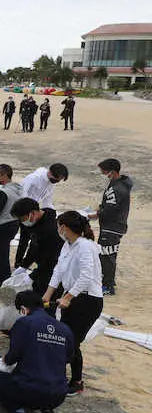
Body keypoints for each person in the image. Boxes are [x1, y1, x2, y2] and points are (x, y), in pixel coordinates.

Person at [0, 290, 73, 413]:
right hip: (58, 395)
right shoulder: (64, 328)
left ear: (23, 309)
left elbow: (11, 358)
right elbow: (68, 358)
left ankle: (17, 412)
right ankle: (47, 410)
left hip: (29, 390)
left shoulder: (24, 323)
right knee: (43, 378)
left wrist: (6, 358)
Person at [41, 211, 103, 396]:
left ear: (64, 227)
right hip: (73, 297)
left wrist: (68, 297)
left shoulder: (85, 246)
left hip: (88, 300)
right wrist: (47, 295)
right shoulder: (67, 245)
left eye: (59, 226)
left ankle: (76, 382)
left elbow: (86, 276)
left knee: (71, 341)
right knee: (64, 338)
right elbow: (58, 270)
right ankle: (58, 376)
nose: (58, 229)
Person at [14, 164, 66, 267]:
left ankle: (26, 262)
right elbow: (22, 195)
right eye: (56, 178)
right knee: (24, 238)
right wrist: (27, 212)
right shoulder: (33, 178)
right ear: (50, 172)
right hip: (26, 212)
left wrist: (51, 213)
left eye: (59, 180)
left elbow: (47, 200)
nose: (56, 181)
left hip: (35, 213)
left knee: (35, 239)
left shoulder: (50, 183)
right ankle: (19, 262)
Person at [92, 158, 131, 295]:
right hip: (115, 226)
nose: (103, 174)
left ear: (112, 172)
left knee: (107, 256)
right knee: (108, 254)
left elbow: (110, 210)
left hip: (111, 227)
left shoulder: (116, 189)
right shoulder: (120, 184)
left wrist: (97, 213)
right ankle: (107, 283)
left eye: (104, 172)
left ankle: (108, 286)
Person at [11, 198, 63, 296]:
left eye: (23, 219)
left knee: (45, 295)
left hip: (55, 269)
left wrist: (32, 276)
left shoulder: (51, 230)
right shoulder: (34, 223)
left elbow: (50, 259)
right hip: (43, 265)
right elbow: (34, 245)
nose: (22, 222)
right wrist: (24, 265)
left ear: (33, 213)